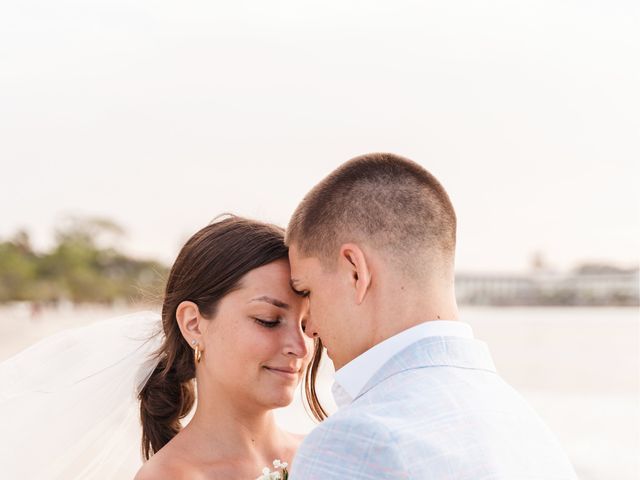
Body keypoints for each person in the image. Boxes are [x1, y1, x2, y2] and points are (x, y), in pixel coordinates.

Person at [285, 153, 577, 479]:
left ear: (356, 272)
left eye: (307, 291)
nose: (309, 327)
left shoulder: (357, 442)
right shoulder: (528, 430)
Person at [0, 215, 326, 479]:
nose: (300, 347)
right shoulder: (170, 476)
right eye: (268, 320)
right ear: (194, 324)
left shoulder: (328, 456)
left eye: (307, 325)